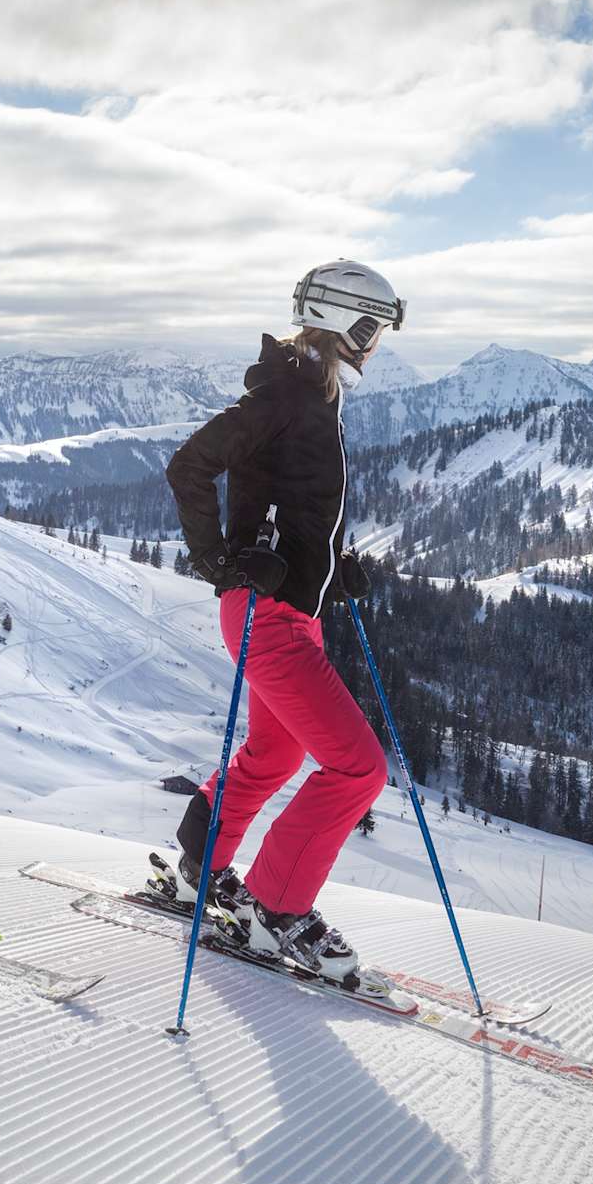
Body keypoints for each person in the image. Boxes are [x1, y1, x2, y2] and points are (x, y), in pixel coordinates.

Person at [160, 259, 406, 981]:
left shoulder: (313, 396)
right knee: (357, 768)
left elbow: (287, 503)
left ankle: (200, 868)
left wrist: (330, 566)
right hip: (266, 617)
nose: (377, 345)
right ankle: (278, 908)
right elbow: (190, 466)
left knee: (275, 754)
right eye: (374, 330)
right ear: (348, 324)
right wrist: (219, 560)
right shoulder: (288, 396)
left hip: (291, 612)